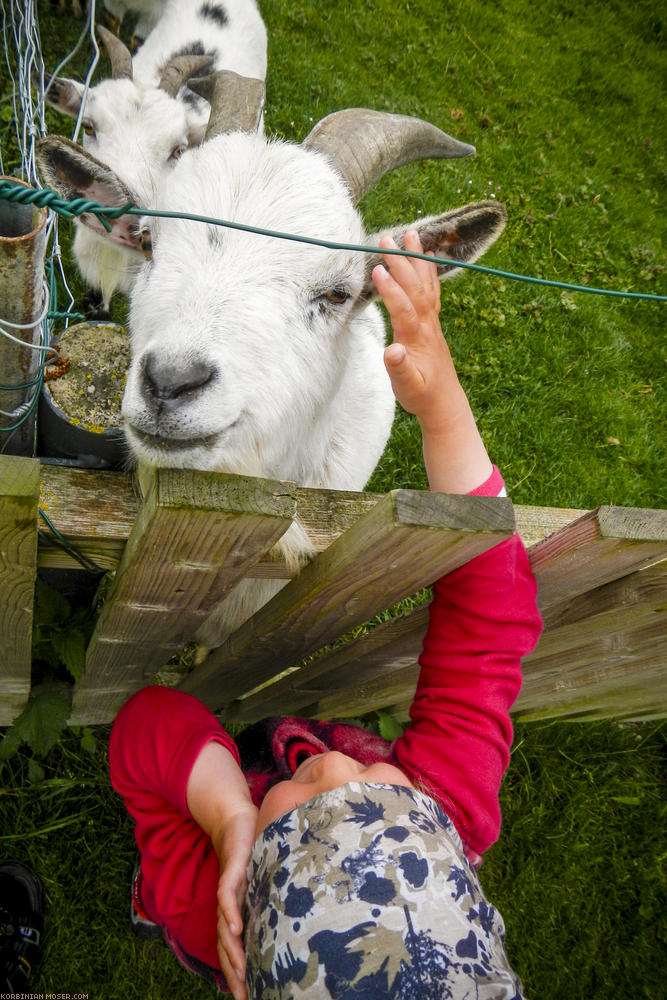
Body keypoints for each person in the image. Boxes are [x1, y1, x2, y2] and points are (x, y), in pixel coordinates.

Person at [109, 231, 543, 1000]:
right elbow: (491, 615)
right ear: (451, 858)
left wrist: (225, 819)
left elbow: (149, 723)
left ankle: (140, 905)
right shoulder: (452, 807)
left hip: (202, 845)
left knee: (158, 881)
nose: (336, 766)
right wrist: (441, 408)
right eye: (381, 795)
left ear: (246, 917)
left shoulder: (200, 906)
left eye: (300, 822)